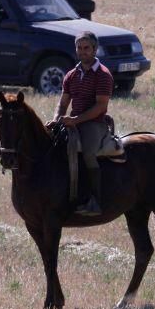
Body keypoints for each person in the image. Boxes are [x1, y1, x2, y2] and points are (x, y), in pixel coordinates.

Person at [49, 31, 114, 216]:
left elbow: (100, 106)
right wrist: (56, 119)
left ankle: (95, 201)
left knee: (88, 153)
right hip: (73, 122)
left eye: (86, 48)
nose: (82, 51)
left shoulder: (103, 75)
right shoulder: (71, 75)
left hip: (94, 123)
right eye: (79, 47)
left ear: (95, 49)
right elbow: (62, 103)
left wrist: (75, 120)